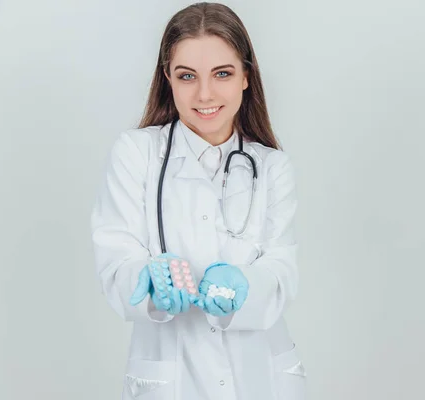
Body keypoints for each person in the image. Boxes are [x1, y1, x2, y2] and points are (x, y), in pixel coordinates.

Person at [90, 3, 306, 399]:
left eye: (222, 74)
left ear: (246, 76)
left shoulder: (272, 166)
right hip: (171, 379)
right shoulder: (136, 152)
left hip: (260, 377)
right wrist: (148, 282)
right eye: (186, 76)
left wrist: (246, 285)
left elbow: (281, 272)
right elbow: (115, 263)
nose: (204, 94)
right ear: (167, 79)